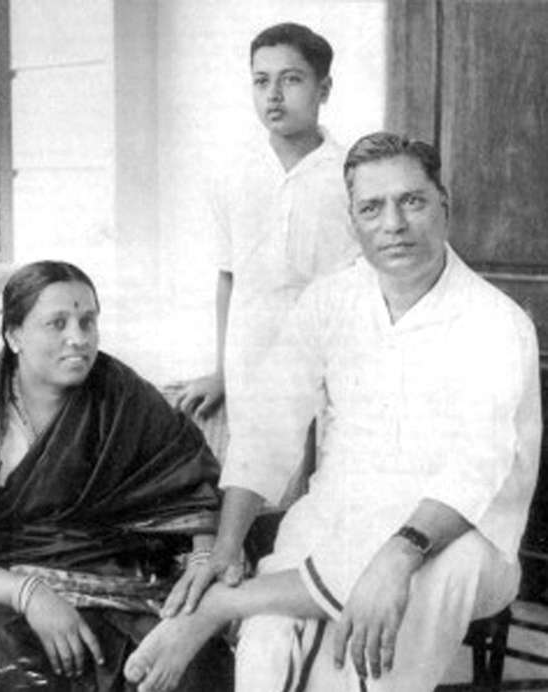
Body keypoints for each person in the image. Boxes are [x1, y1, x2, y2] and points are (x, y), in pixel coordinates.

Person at [123, 132, 542, 691]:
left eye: (412, 201)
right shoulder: (331, 301)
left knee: (403, 605)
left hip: (459, 533)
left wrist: (397, 556)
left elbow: (476, 467)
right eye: (372, 208)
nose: (393, 223)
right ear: (353, 221)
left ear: (445, 205)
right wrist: (224, 549)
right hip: (340, 517)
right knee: (271, 643)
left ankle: (222, 608)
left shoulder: (494, 322)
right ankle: (240, 601)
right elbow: (270, 423)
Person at [0, 261, 233, 691]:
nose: (78, 338)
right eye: (57, 323)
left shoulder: (125, 399)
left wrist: (203, 558)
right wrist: (31, 594)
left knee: (186, 656)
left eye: (87, 321)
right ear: (14, 335)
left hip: (132, 584)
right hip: (12, 592)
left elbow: (196, 494)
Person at [174, 21, 359, 583]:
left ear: (324, 89)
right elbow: (229, 278)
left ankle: (312, 596)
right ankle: (248, 607)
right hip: (257, 362)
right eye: (261, 81)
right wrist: (223, 369)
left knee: (325, 486)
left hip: (334, 363)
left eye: (291, 80)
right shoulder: (233, 172)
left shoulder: (350, 174)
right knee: (254, 483)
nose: (274, 96)